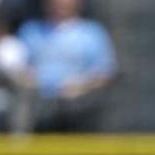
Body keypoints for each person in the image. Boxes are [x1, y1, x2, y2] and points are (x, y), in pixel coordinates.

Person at [15, 0, 114, 132]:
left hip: (80, 107)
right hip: (36, 107)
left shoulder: (93, 33)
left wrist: (80, 86)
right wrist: (26, 79)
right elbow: (17, 67)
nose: (59, 3)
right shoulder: (29, 31)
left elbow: (104, 74)